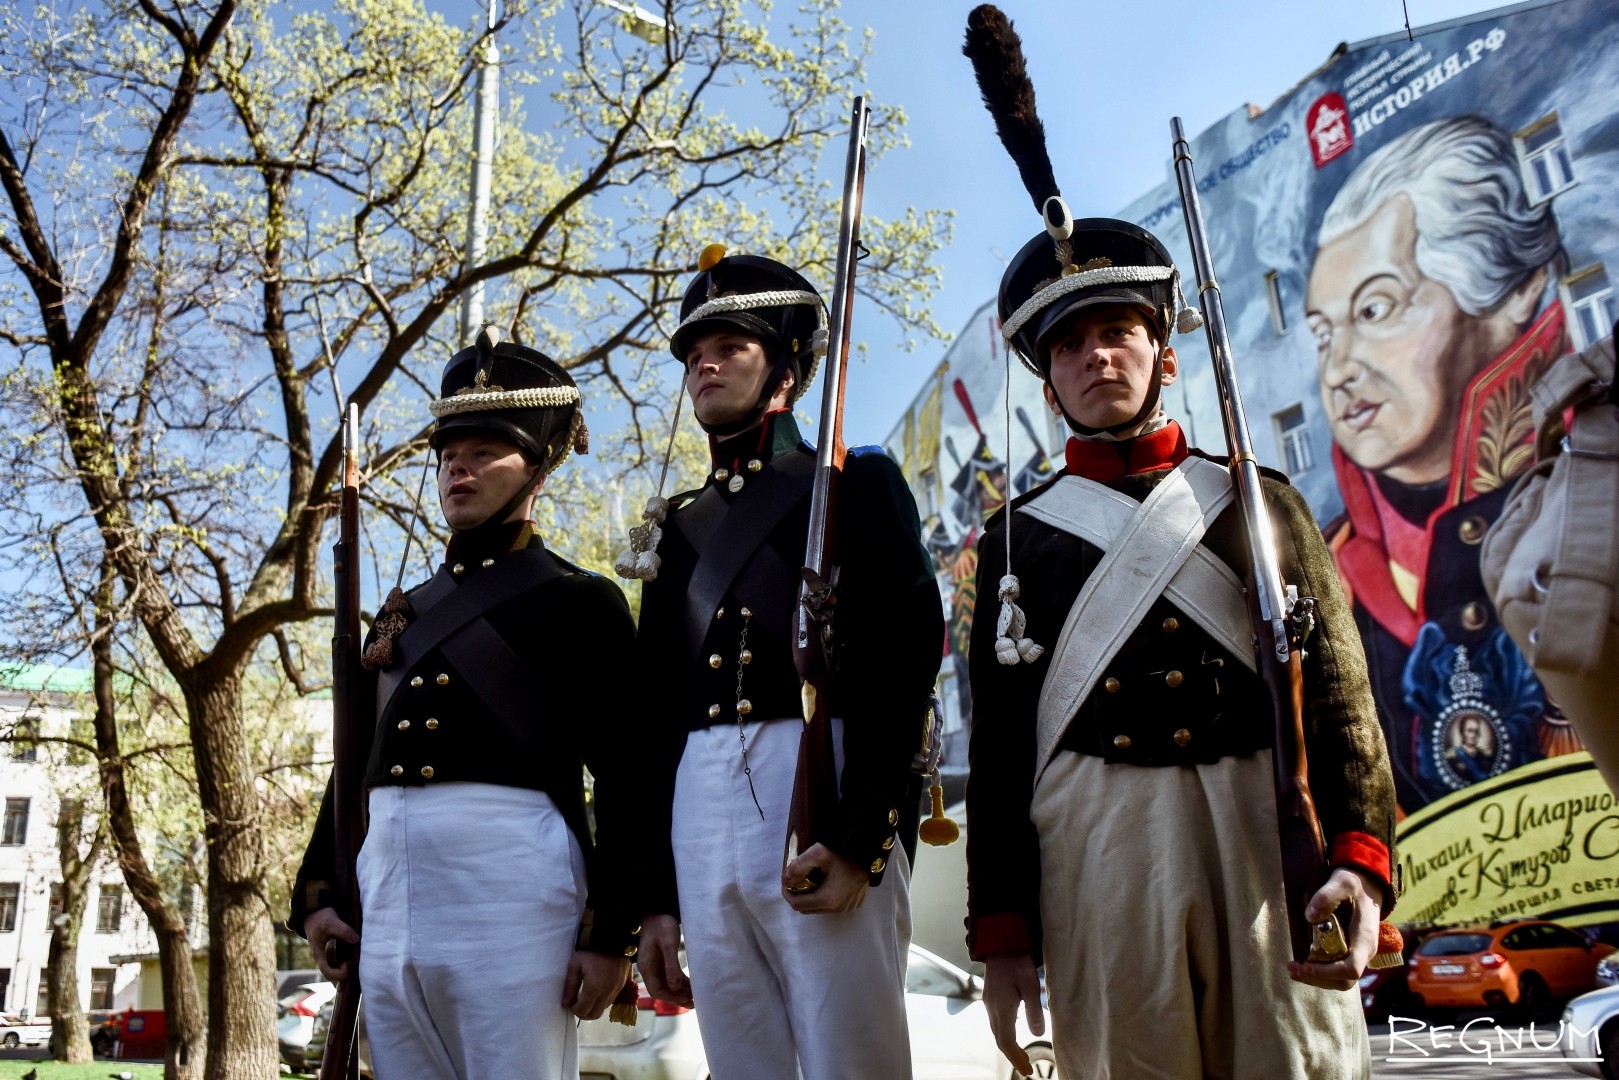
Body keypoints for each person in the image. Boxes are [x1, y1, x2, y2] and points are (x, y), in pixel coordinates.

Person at [960, 7, 1398, 1078]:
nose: (1095, 355)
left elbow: (1339, 697)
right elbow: (1002, 744)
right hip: (1097, 836)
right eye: (1068, 343)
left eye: (1117, 331)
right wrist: (1004, 935)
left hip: (1259, 814)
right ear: (1046, 376)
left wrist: (1358, 859)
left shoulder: (1259, 495)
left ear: (1160, 351)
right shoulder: (1009, 537)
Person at [289, 329, 640, 1080]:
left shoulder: (581, 602)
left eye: (485, 450)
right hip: (389, 884)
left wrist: (611, 932)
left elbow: (628, 776)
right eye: (449, 453)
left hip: (512, 886)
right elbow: (354, 761)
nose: (458, 467)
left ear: (539, 466)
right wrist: (320, 891)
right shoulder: (403, 613)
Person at [626, 248, 943, 1080]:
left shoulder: (853, 483)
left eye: (730, 343)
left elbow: (905, 654)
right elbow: (651, 722)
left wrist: (864, 827)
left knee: (852, 1058)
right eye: (694, 349)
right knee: (740, 1060)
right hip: (699, 801)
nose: (703, 360)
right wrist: (652, 897)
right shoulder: (677, 529)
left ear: (787, 371)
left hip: (819, 775)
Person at [1304, 115, 1581, 809]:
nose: (1337, 369)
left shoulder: (1594, 488)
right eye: (1320, 334)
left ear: (1515, 289)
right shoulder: (1327, 573)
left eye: (1374, 309)